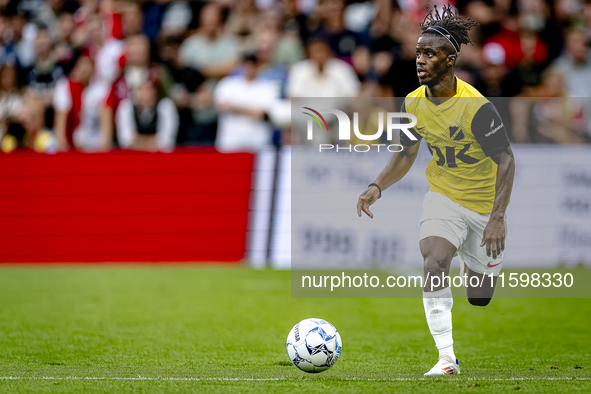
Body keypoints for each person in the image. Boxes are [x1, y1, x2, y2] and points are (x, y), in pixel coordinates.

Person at [356, 5, 516, 376]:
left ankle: (472, 258)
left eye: (429, 54)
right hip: (443, 198)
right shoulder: (412, 102)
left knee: (479, 297)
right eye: (418, 53)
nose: (420, 60)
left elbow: (507, 161)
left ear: (451, 59)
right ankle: (447, 359)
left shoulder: (477, 108)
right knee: (434, 260)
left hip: (483, 208)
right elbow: (405, 154)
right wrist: (377, 185)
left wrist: (496, 219)